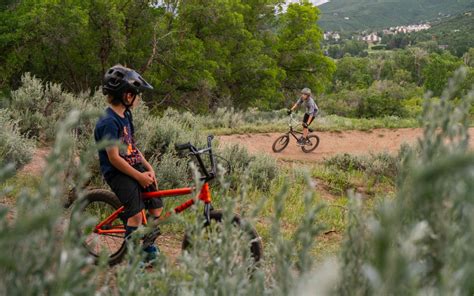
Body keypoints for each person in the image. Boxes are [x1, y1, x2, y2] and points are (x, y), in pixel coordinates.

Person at [94, 64, 163, 263]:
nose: (138, 99)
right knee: (135, 217)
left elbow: (131, 145)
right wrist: (139, 176)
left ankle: (147, 249)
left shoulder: (126, 115)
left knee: (156, 207)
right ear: (127, 96)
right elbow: (114, 157)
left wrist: (147, 166)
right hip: (118, 172)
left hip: (133, 166)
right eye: (136, 94)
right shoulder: (108, 121)